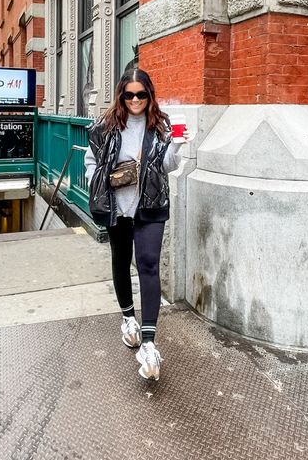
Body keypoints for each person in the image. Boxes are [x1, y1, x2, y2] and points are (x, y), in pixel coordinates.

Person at [84, 68, 191, 381]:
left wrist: (177, 145)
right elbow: (91, 161)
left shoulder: (161, 124)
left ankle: (148, 342)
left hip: (150, 204)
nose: (135, 100)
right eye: (129, 94)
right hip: (118, 206)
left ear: (149, 95)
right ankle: (128, 318)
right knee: (120, 261)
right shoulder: (106, 126)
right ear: (121, 95)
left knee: (148, 264)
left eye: (141, 95)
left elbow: (168, 166)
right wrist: (98, 181)